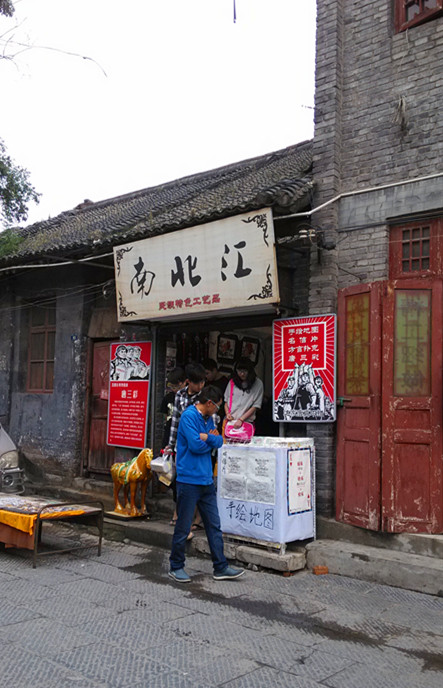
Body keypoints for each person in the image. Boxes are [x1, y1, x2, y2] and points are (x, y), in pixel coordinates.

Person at [168, 385, 245, 583]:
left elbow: (219, 441)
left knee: (214, 525)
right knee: (183, 526)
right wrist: (210, 439)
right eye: (217, 407)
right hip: (188, 479)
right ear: (209, 403)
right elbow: (195, 446)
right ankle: (176, 566)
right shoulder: (189, 416)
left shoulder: (208, 418)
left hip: (206, 479)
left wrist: (207, 438)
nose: (218, 411)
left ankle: (220, 567)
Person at [224, 357, 264, 433]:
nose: (242, 374)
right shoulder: (232, 382)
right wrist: (227, 414)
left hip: (247, 422)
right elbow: (226, 401)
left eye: (245, 371)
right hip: (231, 421)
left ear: (250, 371)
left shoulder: (258, 384)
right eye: (239, 371)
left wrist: (241, 419)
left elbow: (255, 406)